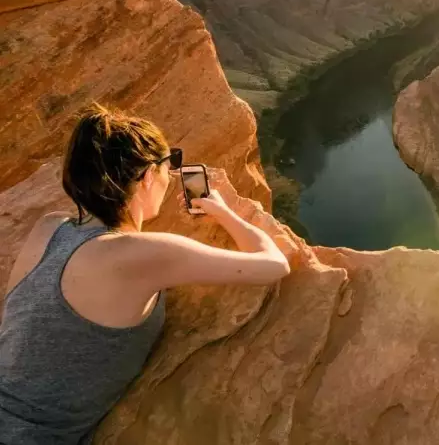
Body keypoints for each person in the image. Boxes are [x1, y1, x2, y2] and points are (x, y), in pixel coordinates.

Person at [0, 104, 291, 444]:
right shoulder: (145, 254)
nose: (172, 176)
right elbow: (274, 265)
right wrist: (225, 213)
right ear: (149, 175)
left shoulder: (49, 228)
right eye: (171, 163)